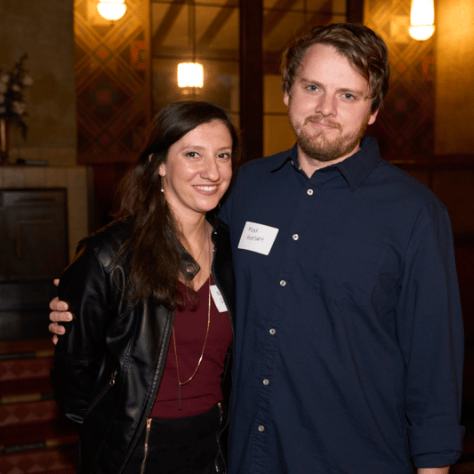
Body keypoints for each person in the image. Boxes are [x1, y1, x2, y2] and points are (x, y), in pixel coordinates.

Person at [50, 23, 464, 474]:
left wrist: (434, 466)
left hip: (356, 456)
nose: (326, 108)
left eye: (349, 95)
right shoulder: (244, 188)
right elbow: (174, 248)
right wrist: (87, 298)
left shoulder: (415, 213)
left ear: (373, 111)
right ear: (287, 92)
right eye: (312, 87)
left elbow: (434, 361)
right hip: (248, 454)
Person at [50, 100, 239, 474]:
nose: (212, 171)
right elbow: (74, 380)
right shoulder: (110, 255)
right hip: (134, 451)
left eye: (223, 155)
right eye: (192, 154)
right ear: (160, 165)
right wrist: (113, 431)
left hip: (214, 448)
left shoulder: (233, 250)